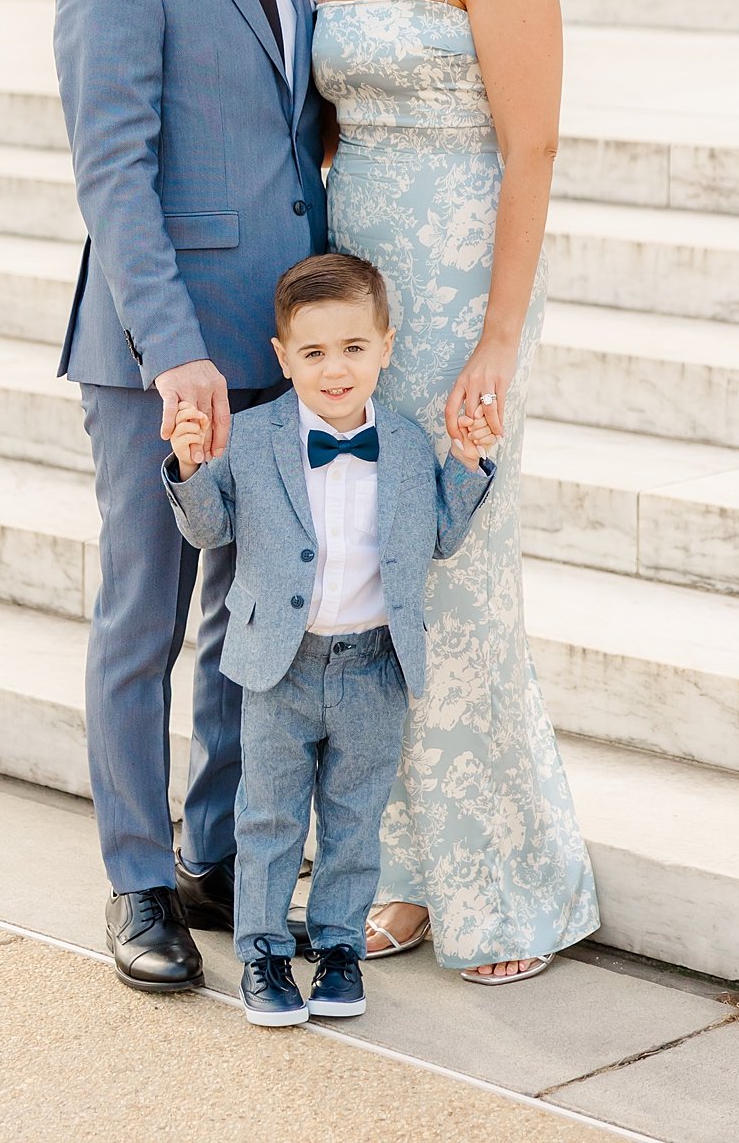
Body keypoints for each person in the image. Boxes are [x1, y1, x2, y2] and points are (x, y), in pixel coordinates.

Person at [311, 0, 600, 985]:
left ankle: (505, 875)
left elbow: (530, 150)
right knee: (372, 576)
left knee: (458, 578)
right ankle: (403, 870)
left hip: (461, 290)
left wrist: (498, 339)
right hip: (358, 295)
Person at [53, 0, 327, 993]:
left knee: (246, 621)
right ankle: (136, 877)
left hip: (276, 344)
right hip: (160, 354)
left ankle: (214, 854)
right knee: (144, 617)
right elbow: (113, 169)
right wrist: (173, 352)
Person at [162, 251, 497, 1026]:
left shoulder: (411, 446)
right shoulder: (250, 436)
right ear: (283, 359)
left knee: (354, 817)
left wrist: (470, 463)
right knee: (270, 817)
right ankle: (263, 955)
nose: (335, 369)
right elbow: (210, 531)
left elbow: (440, 539)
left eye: (353, 348)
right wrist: (190, 466)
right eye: (313, 353)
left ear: (386, 344)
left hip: (374, 665)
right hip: (281, 668)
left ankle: (341, 948)